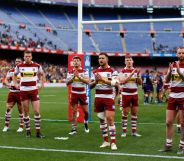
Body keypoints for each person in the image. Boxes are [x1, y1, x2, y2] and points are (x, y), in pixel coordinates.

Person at [13, 50, 45, 138]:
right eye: (26, 56)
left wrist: (42, 83)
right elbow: (15, 75)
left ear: (31, 57)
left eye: (29, 56)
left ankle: (38, 133)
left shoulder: (37, 66)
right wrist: (15, 84)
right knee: (26, 112)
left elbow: (42, 74)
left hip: (34, 90)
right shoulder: (19, 66)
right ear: (24, 57)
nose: (27, 58)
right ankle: (28, 131)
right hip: (23, 91)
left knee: (37, 112)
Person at [90, 53, 117, 150]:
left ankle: (113, 142)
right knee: (101, 119)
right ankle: (106, 141)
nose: (100, 60)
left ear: (107, 59)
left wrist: (102, 80)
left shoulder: (112, 71)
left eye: (102, 58)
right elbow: (90, 86)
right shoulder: (95, 72)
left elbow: (114, 83)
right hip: (98, 97)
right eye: (99, 58)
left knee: (109, 118)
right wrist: (96, 81)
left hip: (108, 97)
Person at [160, 47, 184, 154]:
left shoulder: (178, 67)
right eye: (179, 53)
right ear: (176, 54)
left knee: (183, 123)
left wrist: (179, 71)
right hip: (173, 96)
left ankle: (182, 146)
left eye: (183, 53)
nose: (181, 55)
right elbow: (166, 80)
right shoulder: (173, 65)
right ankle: (168, 144)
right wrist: (170, 72)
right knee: (168, 122)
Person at [118, 56, 142, 138]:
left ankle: (134, 132)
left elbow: (140, 83)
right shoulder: (122, 71)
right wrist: (132, 74)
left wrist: (138, 75)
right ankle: (124, 131)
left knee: (134, 113)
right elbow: (122, 81)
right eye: (127, 60)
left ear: (133, 61)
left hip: (134, 94)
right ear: (125, 62)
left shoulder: (136, 71)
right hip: (125, 94)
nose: (129, 61)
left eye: (130, 60)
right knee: (125, 113)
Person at [66, 56, 90, 135]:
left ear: (80, 62)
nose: (76, 62)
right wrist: (73, 78)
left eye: (77, 61)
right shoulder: (70, 72)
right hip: (74, 93)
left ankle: (85, 122)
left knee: (86, 112)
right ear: (73, 62)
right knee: (74, 111)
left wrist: (79, 76)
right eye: (74, 61)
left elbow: (88, 81)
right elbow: (67, 83)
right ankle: (74, 128)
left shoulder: (84, 71)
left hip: (82, 93)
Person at [2, 58, 24, 132]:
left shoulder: (23, 71)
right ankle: (6, 126)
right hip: (12, 92)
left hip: (20, 93)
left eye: (19, 61)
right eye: (16, 61)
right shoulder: (11, 71)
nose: (17, 62)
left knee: (20, 110)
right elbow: (6, 79)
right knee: (8, 109)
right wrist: (8, 84)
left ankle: (21, 126)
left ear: (21, 62)